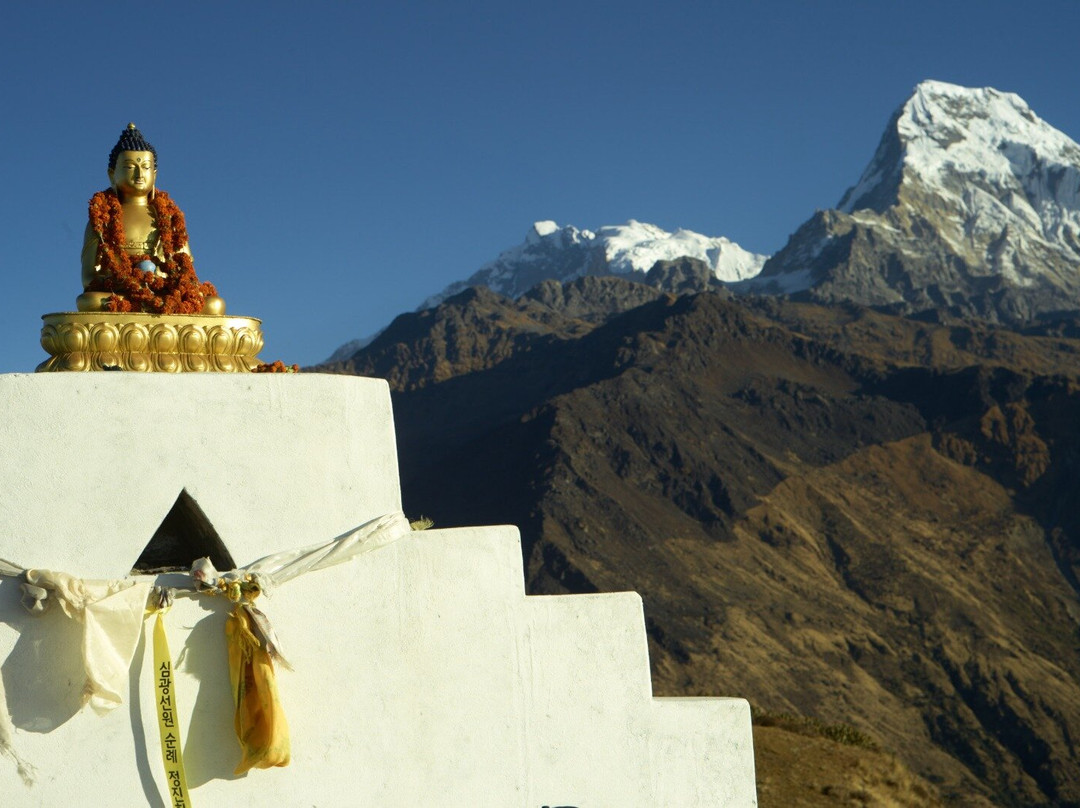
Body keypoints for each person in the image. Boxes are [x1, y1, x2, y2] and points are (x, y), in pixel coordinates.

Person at [78, 124, 224, 315]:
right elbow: (89, 277)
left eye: (145, 167)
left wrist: (158, 277)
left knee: (214, 305)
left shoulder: (169, 216)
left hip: (166, 291)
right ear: (112, 174)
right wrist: (127, 280)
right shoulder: (102, 219)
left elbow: (186, 271)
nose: (139, 174)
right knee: (89, 301)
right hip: (121, 293)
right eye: (130, 167)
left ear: (154, 174)